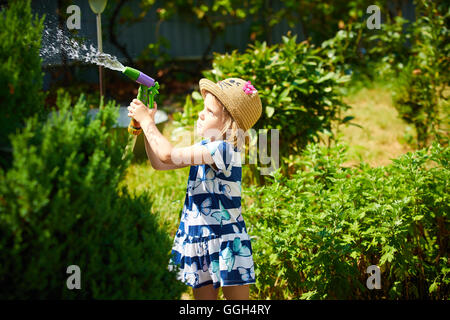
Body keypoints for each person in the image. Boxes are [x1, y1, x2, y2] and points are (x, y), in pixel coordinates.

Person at [127, 77, 262, 300]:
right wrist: (145, 127)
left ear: (230, 126)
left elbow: (167, 154)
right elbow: (160, 163)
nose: (200, 114)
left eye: (209, 112)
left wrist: (148, 123)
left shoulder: (223, 149)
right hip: (200, 238)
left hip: (227, 241)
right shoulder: (205, 148)